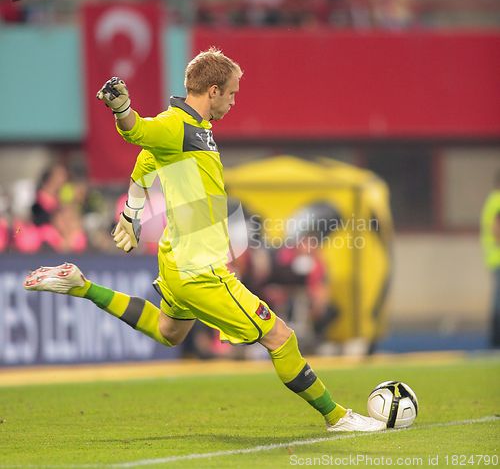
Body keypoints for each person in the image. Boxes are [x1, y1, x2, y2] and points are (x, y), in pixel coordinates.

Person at [23, 47, 384, 432]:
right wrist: (122, 110)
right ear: (212, 91)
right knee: (281, 336)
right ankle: (337, 417)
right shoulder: (176, 125)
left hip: (178, 260)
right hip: (199, 270)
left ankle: (82, 286)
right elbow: (138, 131)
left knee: (168, 331)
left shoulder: (195, 130)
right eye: (231, 93)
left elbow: (146, 160)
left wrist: (131, 212)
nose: (234, 100)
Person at [480, 171, 500, 348]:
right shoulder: (498, 201)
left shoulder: (491, 200)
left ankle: (494, 340)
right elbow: (497, 228)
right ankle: (496, 341)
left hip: (494, 257)